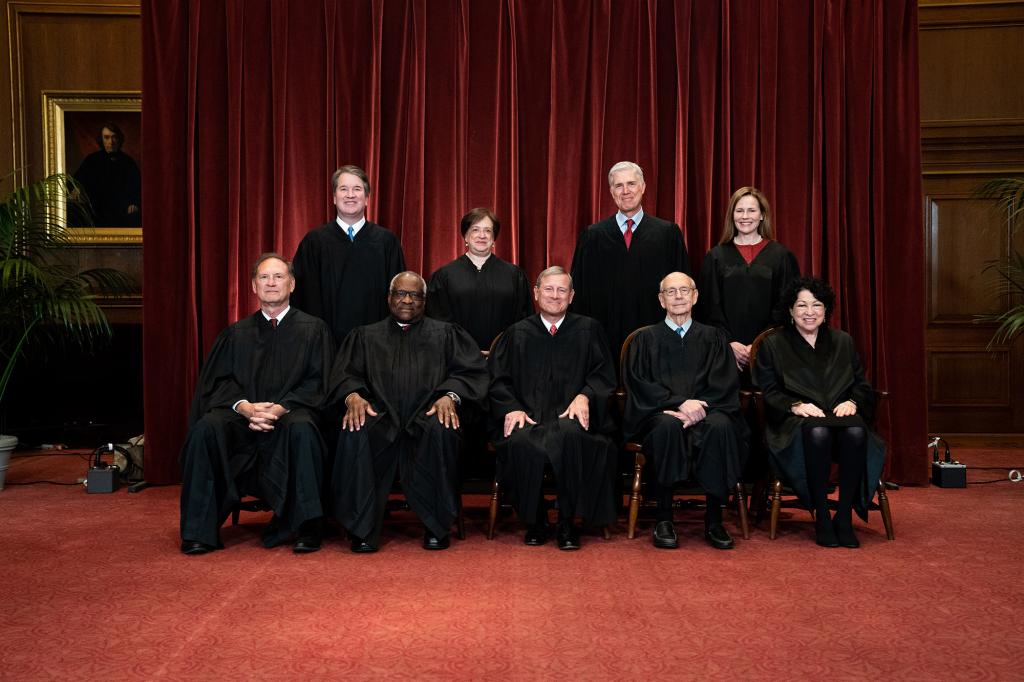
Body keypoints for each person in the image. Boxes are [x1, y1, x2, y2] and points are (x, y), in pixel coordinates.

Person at [179, 253, 334, 555]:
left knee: (303, 428)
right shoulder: (236, 334)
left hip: (290, 414)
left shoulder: (314, 330)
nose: (271, 283)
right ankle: (199, 531)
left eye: (278, 277)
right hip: (243, 418)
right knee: (207, 429)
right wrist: (246, 408)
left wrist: (279, 408)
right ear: (253, 286)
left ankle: (307, 527)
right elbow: (219, 383)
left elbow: (319, 382)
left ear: (291, 284)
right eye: (264, 277)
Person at [329, 271, 488, 552]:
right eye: (401, 293)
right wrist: (352, 396)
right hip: (379, 417)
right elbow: (345, 374)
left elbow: (470, 373)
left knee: (443, 428)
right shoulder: (365, 336)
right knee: (356, 428)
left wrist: (449, 396)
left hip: (427, 415)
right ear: (389, 298)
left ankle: (436, 525)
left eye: (415, 295)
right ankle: (362, 528)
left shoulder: (446, 334)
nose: (407, 300)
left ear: (425, 301)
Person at [489, 266, 617, 550]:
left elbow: (603, 375)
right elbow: (498, 379)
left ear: (571, 296)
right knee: (520, 439)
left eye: (562, 290)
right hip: (530, 416)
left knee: (571, 437)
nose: (555, 296)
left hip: (571, 418)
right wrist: (511, 407)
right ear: (536, 293)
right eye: (548, 289)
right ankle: (535, 520)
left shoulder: (589, 329)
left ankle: (567, 522)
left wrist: (585, 395)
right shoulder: (516, 334)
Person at [752, 277, 886, 549]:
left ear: (826, 311)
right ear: (790, 310)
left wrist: (854, 402)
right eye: (801, 305)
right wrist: (795, 405)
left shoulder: (842, 341)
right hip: (794, 422)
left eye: (816, 305)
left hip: (841, 415)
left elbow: (861, 384)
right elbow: (768, 391)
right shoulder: (774, 345)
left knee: (856, 430)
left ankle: (844, 516)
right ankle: (823, 516)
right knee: (819, 432)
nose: (809, 311)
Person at [623, 272, 747, 550]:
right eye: (671, 292)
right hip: (661, 413)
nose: (678, 296)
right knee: (667, 427)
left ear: (695, 296)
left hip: (708, 410)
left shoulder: (713, 338)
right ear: (660, 299)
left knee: (721, 427)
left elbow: (724, 382)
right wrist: (679, 403)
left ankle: (714, 520)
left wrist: (699, 407)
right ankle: (663, 519)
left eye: (684, 290)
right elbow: (639, 383)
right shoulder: (645, 340)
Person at [570, 161, 690, 359]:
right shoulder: (592, 236)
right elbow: (580, 296)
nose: (626, 190)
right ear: (611, 191)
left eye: (631, 184)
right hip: (603, 342)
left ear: (643, 187)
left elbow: (682, 291)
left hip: (657, 341)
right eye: (619, 185)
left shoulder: (668, 234)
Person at [292, 165, 406, 347]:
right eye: (343, 189)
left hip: (377, 345)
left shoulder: (386, 242)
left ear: (367, 198)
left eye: (357, 189)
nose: (350, 195)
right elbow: (300, 296)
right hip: (325, 345)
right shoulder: (314, 242)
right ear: (334, 198)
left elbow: (399, 296)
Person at [698, 186, 800, 376]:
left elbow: (787, 306)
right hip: (725, 352)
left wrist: (760, 343)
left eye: (751, 210)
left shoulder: (781, 256)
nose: (745, 216)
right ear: (732, 215)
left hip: (770, 350)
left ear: (762, 215)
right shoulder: (716, 256)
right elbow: (709, 306)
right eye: (739, 210)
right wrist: (729, 343)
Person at [426, 207, 533, 350]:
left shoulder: (514, 275)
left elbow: (523, 322)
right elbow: (437, 323)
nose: (482, 235)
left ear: (494, 238)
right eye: (475, 230)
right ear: (465, 236)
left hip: (504, 359)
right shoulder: (444, 276)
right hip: (458, 361)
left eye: (488, 230)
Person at [72, 122, 141, 227]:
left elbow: (137, 186)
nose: (111, 142)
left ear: (119, 139)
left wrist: (134, 202)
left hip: (120, 210)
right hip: (96, 209)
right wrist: (76, 189)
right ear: (101, 140)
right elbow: (77, 180)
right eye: (107, 138)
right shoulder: (92, 160)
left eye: (114, 137)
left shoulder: (128, 162)